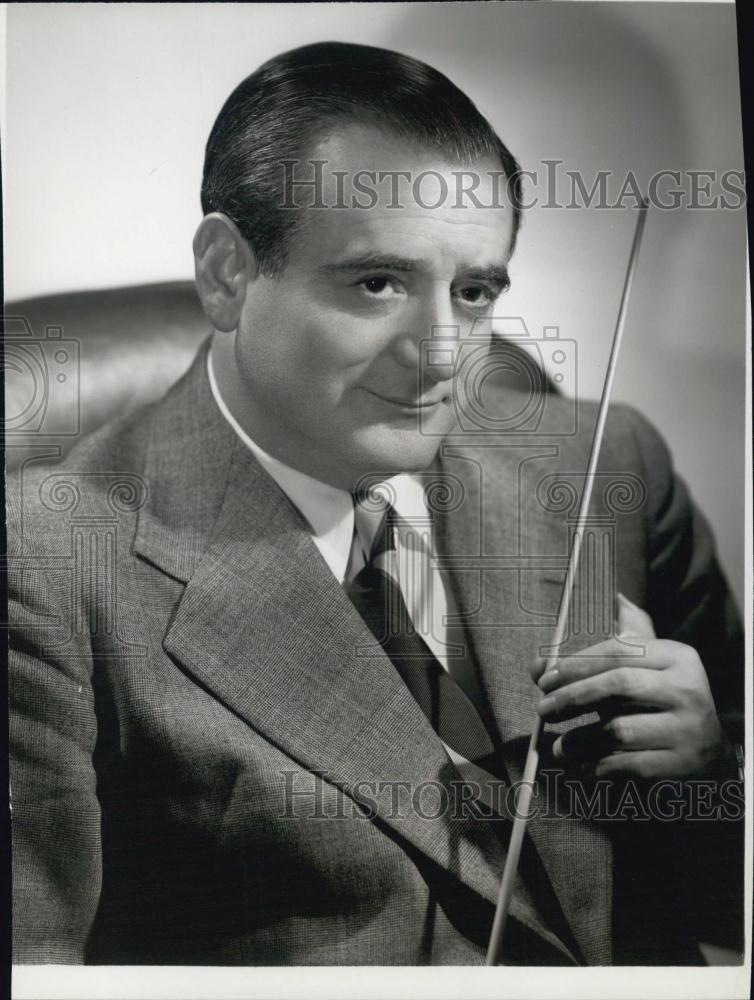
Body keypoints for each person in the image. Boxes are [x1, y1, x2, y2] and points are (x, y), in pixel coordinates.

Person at [8, 41, 744, 967]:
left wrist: (711, 776)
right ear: (228, 273)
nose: (442, 355)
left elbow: (727, 907)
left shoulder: (607, 465)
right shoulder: (50, 562)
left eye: (474, 292)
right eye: (378, 282)